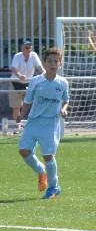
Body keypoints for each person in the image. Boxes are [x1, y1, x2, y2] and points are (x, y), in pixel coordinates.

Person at [18, 48, 69, 199]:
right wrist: (21, 115)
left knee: (48, 156)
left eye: (56, 61)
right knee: (23, 150)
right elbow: (28, 101)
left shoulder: (63, 83)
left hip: (51, 123)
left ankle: (54, 187)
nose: (53, 64)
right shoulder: (36, 81)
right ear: (44, 63)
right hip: (34, 121)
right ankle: (41, 171)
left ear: (60, 64)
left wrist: (64, 109)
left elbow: (66, 100)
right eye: (50, 61)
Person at [9, 40, 43, 128]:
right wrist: (19, 75)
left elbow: (39, 67)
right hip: (15, 83)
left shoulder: (34, 55)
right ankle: (18, 126)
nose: (28, 49)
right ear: (22, 48)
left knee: (33, 104)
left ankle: (33, 125)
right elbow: (14, 68)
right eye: (26, 47)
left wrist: (45, 74)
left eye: (30, 47)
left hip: (28, 83)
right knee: (16, 106)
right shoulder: (17, 56)